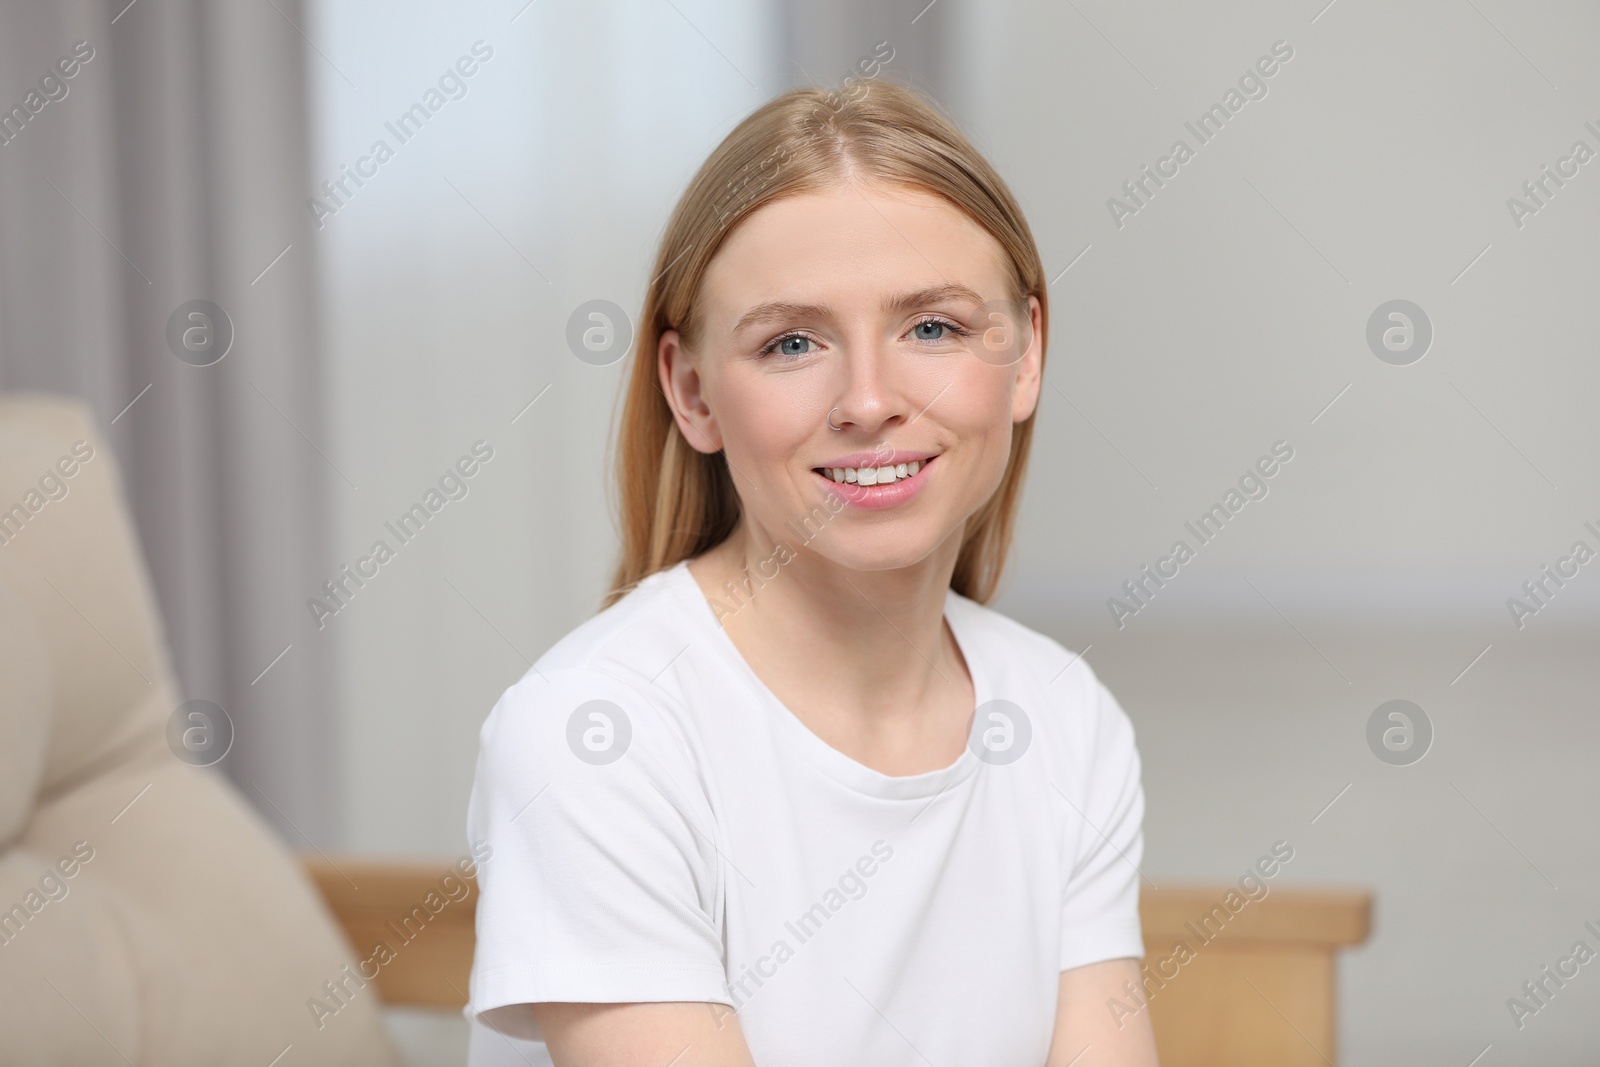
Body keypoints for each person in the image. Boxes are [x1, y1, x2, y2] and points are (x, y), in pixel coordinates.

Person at [465, 78, 1159, 1067]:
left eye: (933, 327)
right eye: (792, 342)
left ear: (1027, 352)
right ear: (692, 391)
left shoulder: (1064, 715)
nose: (868, 400)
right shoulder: (592, 735)